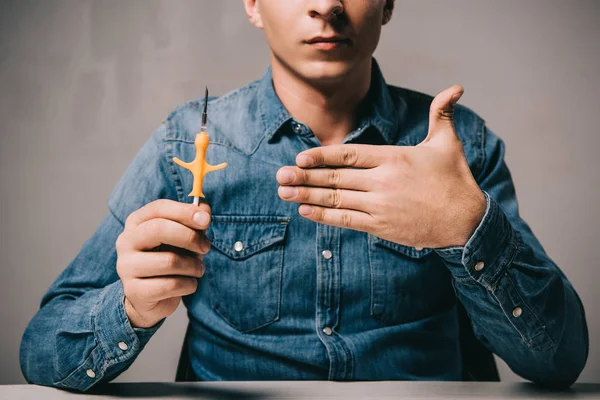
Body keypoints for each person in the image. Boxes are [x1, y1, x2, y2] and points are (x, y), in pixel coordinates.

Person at [20, 0, 588, 392]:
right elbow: (41, 352)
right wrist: (130, 308)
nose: (326, 4)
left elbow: (558, 361)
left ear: (388, 3)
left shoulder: (456, 146)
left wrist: (468, 227)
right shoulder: (186, 141)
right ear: (253, 2)